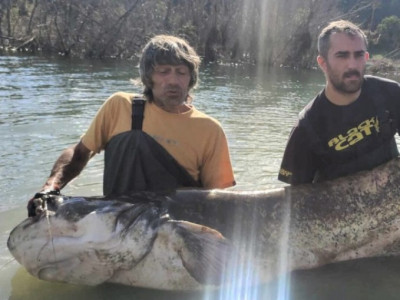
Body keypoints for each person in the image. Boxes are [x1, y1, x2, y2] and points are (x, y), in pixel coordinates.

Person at [28, 35, 235, 216]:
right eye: (163, 71)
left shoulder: (209, 130)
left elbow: (218, 201)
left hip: (174, 238)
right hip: (116, 227)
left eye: (181, 72)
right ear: (148, 77)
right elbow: (80, 153)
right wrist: (50, 188)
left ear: (191, 79)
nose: (173, 80)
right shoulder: (119, 106)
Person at [278, 20, 400, 185]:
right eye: (342, 56)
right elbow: (295, 203)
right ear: (323, 63)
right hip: (339, 208)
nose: (352, 64)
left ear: (366, 58)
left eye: (358, 55)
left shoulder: (391, 93)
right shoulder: (305, 128)